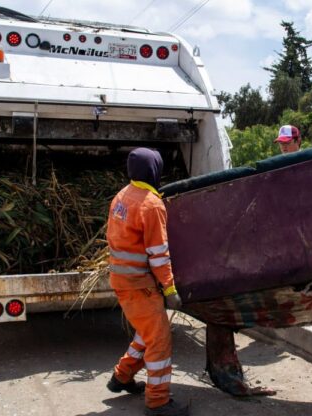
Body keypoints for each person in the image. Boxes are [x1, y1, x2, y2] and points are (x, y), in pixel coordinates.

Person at [105, 148, 188, 416]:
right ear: (154, 170)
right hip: (140, 284)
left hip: (123, 280)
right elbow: (158, 254)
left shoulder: (122, 196)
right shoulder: (151, 205)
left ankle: (122, 377)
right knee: (160, 340)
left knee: (147, 332)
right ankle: (158, 402)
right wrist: (170, 289)